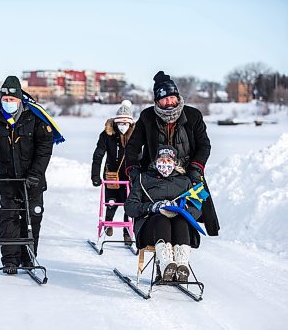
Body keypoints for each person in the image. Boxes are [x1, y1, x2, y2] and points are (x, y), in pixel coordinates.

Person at [0, 76, 57, 275]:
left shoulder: (34, 116)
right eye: (5, 100)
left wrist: (36, 173)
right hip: (6, 177)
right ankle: (10, 260)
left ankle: (28, 257)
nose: (8, 103)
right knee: (9, 215)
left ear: (20, 100)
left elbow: (45, 148)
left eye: (12, 100)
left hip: (32, 178)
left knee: (33, 215)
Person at [125, 71, 219, 237]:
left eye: (172, 97)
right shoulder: (147, 116)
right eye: (164, 98)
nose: (169, 102)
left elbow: (204, 145)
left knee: (191, 210)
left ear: (177, 96)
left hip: (187, 174)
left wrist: (196, 168)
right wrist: (133, 169)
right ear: (157, 100)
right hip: (155, 176)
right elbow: (132, 146)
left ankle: (184, 244)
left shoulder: (193, 115)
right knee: (155, 214)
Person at [124, 145, 201, 282]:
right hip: (151, 227)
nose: (164, 164)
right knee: (161, 219)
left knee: (181, 221)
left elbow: (197, 210)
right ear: (155, 162)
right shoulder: (144, 179)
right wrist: (151, 207)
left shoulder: (184, 181)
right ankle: (166, 264)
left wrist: (183, 209)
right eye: (161, 160)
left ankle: (182, 264)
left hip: (178, 228)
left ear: (175, 163)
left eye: (168, 161)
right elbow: (130, 207)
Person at [91, 100, 135, 240]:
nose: (123, 126)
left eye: (125, 123)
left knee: (130, 204)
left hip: (130, 175)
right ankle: (108, 224)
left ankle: (127, 232)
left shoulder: (135, 135)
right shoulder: (107, 135)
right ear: (115, 122)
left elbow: (141, 155)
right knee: (111, 202)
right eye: (120, 123)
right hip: (111, 174)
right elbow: (98, 155)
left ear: (130, 123)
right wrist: (95, 175)